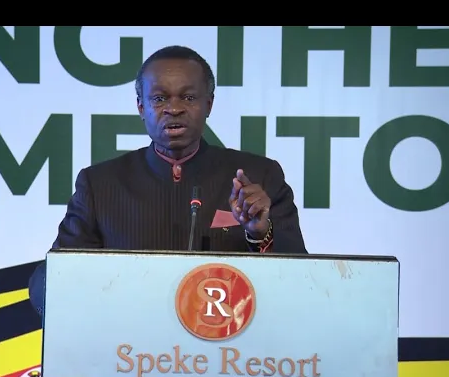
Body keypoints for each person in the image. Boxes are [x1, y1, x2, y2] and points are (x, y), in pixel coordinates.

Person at [28, 45, 307, 315]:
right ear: (141, 107)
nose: (174, 108)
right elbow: (51, 283)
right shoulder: (99, 185)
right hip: (130, 342)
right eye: (159, 99)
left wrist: (260, 234)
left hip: (229, 341)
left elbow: (302, 283)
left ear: (208, 105)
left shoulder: (260, 177)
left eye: (188, 98)